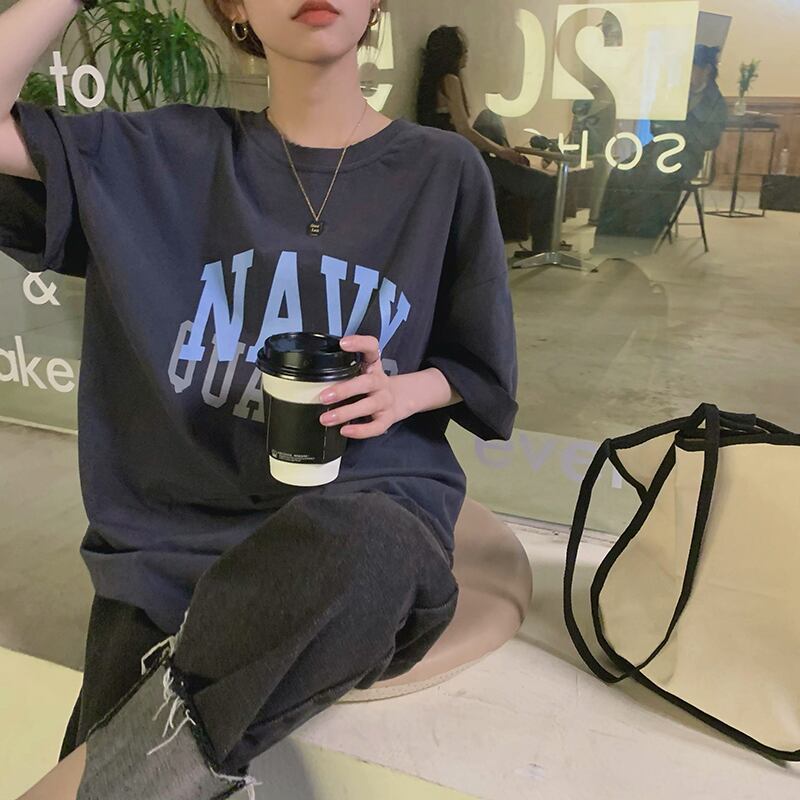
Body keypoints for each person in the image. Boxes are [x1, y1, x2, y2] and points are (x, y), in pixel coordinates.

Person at [0, 0, 518, 797]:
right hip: (176, 541)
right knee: (141, 714)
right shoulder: (163, 155)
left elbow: (476, 368)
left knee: (372, 551)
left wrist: (400, 391)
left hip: (363, 513)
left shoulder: (442, 170)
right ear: (236, 5)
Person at [416, 24, 557, 253]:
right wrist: (503, 152)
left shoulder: (427, 83)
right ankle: (544, 249)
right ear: (453, 54)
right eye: (463, 50)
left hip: (447, 158)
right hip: (461, 159)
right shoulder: (449, 80)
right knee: (548, 185)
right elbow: (463, 130)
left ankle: (510, 164)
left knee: (490, 119)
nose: (467, 55)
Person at [594, 44, 728, 251]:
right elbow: (656, 124)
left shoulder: (717, 103)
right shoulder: (674, 92)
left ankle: (637, 240)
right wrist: (680, 131)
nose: (685, 74)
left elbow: (710, 140)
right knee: (620, 172)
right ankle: (608, 238)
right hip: (659, 147)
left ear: (706, 70)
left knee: (656, 177)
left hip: (687, 156)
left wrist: (680, 133)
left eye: (690, 68)